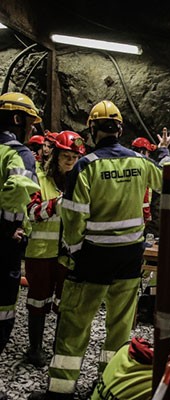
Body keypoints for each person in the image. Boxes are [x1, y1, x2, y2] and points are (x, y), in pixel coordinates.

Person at [29, 100, 170, 400]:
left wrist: (74, 251)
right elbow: (169, 182)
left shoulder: (86, 166)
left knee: (74, 325)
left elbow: (73, 216)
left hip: (92, 259)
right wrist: (165, 152)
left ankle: (60, 391)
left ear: (93, 129)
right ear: (120, 129)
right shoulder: (140, 161)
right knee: (120, 330)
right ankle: (108, 386)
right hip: (130, 260)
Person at [23, 131, 86, 368]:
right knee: (38, 302)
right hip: (40, 252)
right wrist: (58, 203)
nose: (70, 161)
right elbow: (31, 212)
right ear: (56, 155)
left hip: (66, 254)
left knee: (64, 303)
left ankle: (58, 349)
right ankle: (35, 349)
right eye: (66, 156)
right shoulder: (38, 178)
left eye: (74, 157)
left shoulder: (79, 181)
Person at [0, 92, 42, 369]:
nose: (33, 128)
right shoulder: (18, 153)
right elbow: (18, 191)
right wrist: (10, 228)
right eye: (30, 121)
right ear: (18, 119)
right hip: (3, 248)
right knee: (2, 313)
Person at [130, 136, 158, 225]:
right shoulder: (143, 168)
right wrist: (147, 214)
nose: (148, 155)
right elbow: (144, 197)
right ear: (142, 151)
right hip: (139, 215)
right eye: (148, 152)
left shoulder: (128, 164)